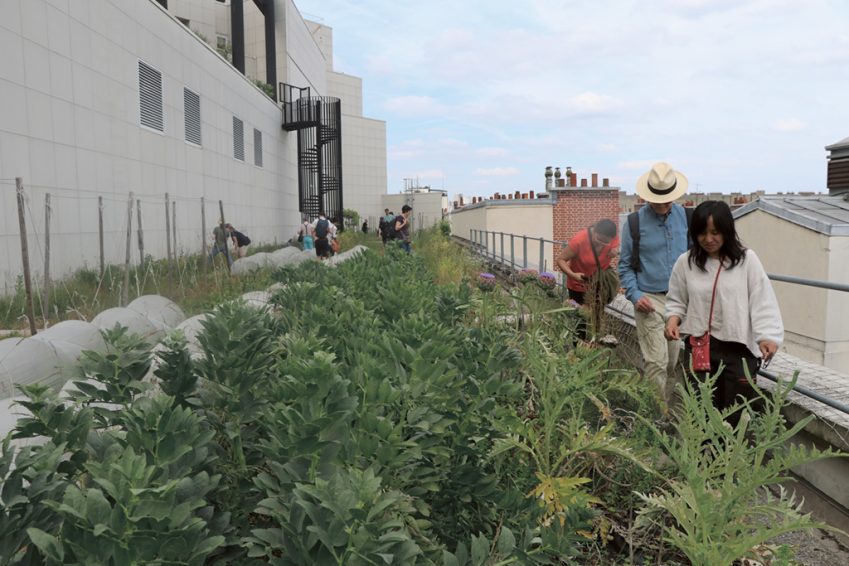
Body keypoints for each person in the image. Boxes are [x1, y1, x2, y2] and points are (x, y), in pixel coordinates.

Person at [664, 201, 783, 412]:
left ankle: (729, 446)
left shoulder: (747, 260)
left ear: (727, 230)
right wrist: (673, 318)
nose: (708, 239)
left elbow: (762, 300)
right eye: (702, 233)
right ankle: (701, 446)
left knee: (736, 413)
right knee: (700, 412)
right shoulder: (686, 262)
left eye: (715, 232)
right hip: (700, 347)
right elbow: (677, 299)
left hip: (738, 350)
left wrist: (767, 335)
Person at [618, 162, 691, 406]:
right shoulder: (634, 223)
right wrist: (635, 295)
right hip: (648, 299)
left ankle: (665, 407)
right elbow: (625, 266)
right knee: (656, 362)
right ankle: (655, 416)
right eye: (657, 200)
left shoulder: (687, 218)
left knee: (671, 363)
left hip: (679, 301)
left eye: (667, 200)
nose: (662, 205)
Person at [556, 218, 619, 305]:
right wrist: (573, 275)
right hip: (579, 285)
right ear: (595, 230)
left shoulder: (611, 235)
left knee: (597, 315)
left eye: (605, 242)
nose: (601, 244)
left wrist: (615, 248)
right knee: (579, 316)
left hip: (600, 284)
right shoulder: (579, 240)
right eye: (599, 240)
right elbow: (560, 260)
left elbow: (615, 242)